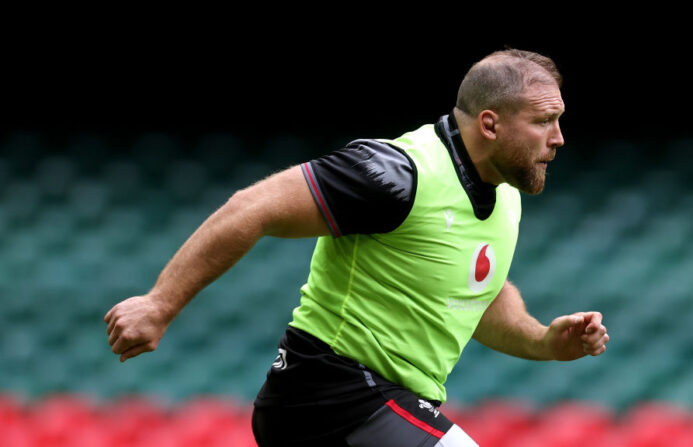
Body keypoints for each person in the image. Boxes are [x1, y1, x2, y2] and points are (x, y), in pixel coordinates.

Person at [104, 48, 610, 446]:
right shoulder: (394, 173)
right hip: (326, 393)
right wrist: (159, 303)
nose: (560, 137)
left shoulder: (506, 195)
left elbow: (478, 291)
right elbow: (251, 207)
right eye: (544, 121)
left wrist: (543, 341)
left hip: (380, 407)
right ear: (490, 124)